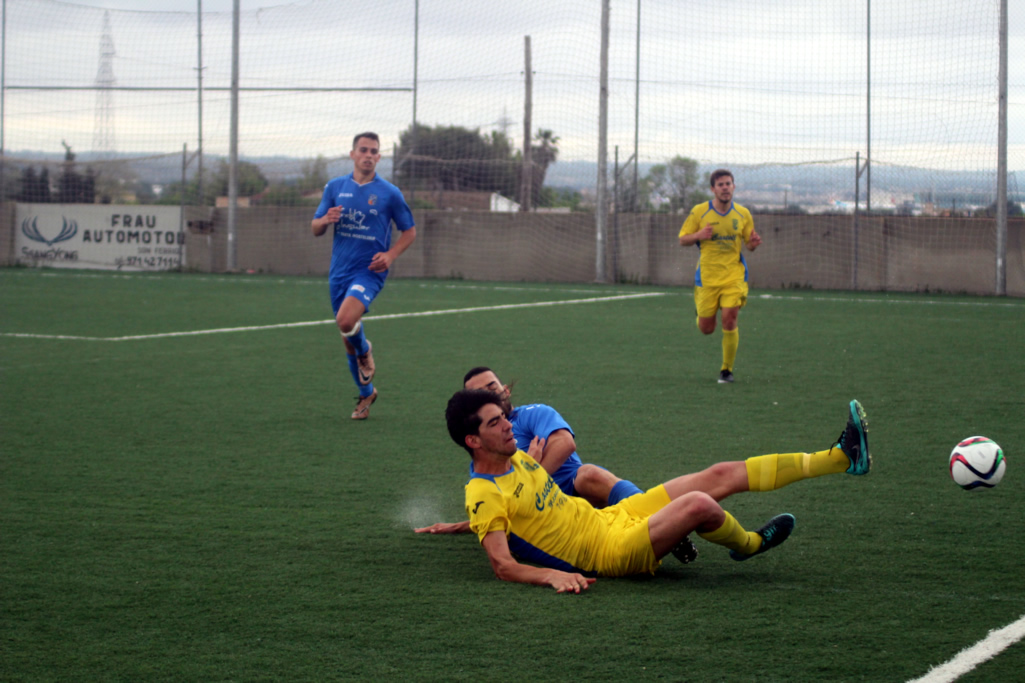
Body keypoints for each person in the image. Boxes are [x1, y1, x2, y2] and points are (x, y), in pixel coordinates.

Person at [437, 389, 870, 592]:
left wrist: (464, 525)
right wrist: (552, 575)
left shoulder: (516, 456)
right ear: (473, 440)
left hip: (610, 519)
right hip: (607, 552)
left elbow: (513, 516)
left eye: (504, 416)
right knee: (699, 503)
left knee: (718, 474)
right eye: (495, 422)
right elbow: (502, 564)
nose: (508, 425)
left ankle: (838, 458)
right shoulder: (482, 493)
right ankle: (752, 544)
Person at [312, 132, 417, 419]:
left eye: (373, 151)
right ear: (353, 154)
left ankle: (365, 350)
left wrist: (390, 256)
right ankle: (366, 394)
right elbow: (315, 227)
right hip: (339, 272)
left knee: (346, 321)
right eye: (363, 150)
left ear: (379, 157)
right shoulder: (335, 187)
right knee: (347, 335)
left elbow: (409, 231)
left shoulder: (389, 193)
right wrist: (325, 220)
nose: (368, 155)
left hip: (370, 270)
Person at [678, 169, 761, 384]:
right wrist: (699, 235)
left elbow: (749, 243)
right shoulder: (700, 211)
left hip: (734, 276)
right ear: (713, 189)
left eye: (728, 183)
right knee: (707, 329)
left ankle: (726, 370)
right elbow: (683, 239)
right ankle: (701, 314)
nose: (725, 188)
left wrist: (752, 244)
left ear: (734, 187)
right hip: (707, 278)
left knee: (729, 318)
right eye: (721, 184)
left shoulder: (743, 213)